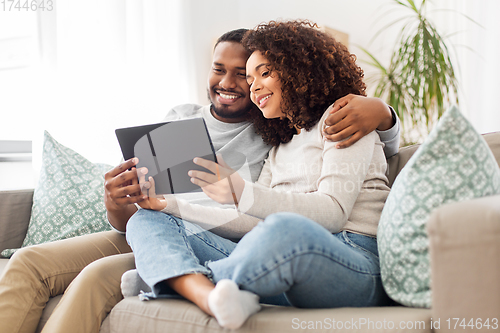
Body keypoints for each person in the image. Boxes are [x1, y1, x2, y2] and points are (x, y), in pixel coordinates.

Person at [0, 27, 399, 333]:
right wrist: (154, 204)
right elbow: (250, 217)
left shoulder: (322, 123)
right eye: (222, 70)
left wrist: (383, 111)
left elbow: (323, 211)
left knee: (280, 229)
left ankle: (175, 280)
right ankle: (200, 289)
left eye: (255, 73)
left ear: (296, 72)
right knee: (136, 222)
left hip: (337, 250)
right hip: (190, 235)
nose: (243, 83)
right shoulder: (274, 139)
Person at [124, 20, 394, 330]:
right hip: (287, 271)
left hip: (354, 262)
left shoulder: (341, 119)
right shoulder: (279, 147)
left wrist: (242, 192)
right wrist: (168, 207)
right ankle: (209, 296)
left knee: (284, 228)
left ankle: (168, 280)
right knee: (148, 219)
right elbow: (253, 225)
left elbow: (332, 213)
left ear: (299, 69)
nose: (253, 87)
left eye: (264, 73)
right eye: (250, 79)